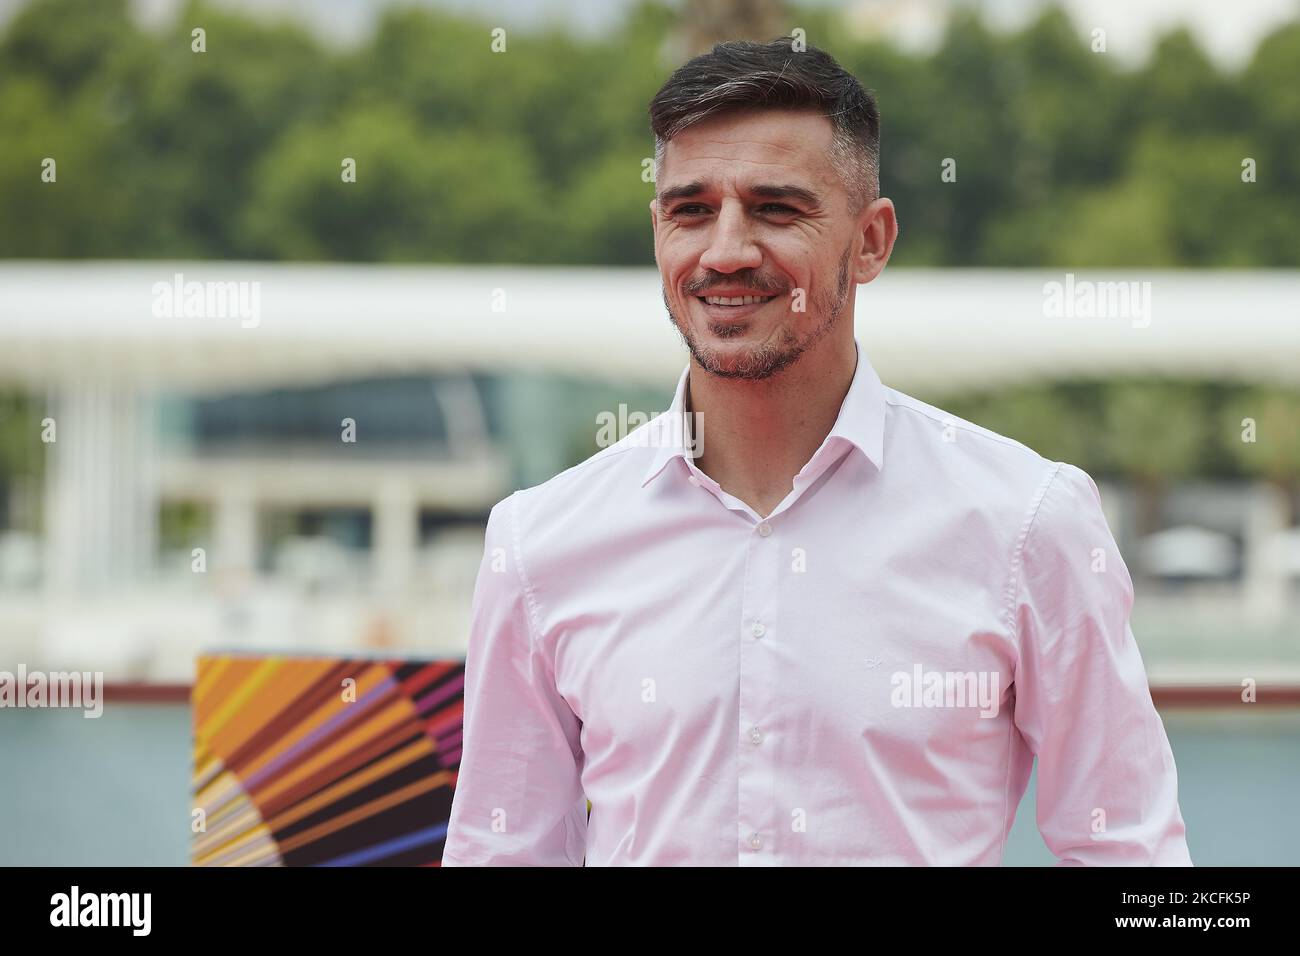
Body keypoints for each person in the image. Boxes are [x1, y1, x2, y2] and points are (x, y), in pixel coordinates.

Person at [442, 37, 1191, 866]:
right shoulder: (539, 543)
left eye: (775, 208)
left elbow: (1131, 856)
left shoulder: (1027, 522)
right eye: (691, 209)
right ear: (658, 232)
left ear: (871, 241)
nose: (724, 250)